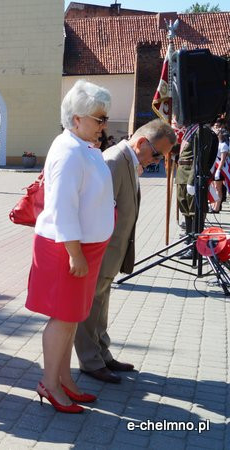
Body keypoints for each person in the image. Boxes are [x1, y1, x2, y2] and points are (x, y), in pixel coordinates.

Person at [26, 80, 115, 413]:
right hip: (67, 248)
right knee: (63, 319)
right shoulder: (67, 151)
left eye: (104, 118)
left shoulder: (82, 146)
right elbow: (63, 206)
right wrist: (75, 253)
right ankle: (49, 384)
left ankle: (64, 379)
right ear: (77, 118)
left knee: (72, 317)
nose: (103, 125)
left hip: (81, 247)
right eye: (98, 118)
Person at [75, 119, 176, 384]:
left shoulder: (127, 161)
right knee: (90, 307)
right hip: (101, 250)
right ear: (142, 142)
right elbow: (94, 211)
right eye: (156, 154)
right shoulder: (112, 161)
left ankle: (102, 354)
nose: (156, 161)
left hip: (112, 250)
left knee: (101, 306)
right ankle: (90, 361)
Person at [176, 124, 219, 259]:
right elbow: (184, 151)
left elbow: (200, 158)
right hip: (182, 174)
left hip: (191, 175)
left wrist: (192, 180)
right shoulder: (190, 129)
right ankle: (189, 242)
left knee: (196, 213)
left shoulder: (202, 130)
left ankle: (196, 248)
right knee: (186, 212)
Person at [210, 129, 229, 213]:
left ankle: (217, 207)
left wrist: (218, 170)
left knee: (218, 189)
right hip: (215, 168)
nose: (218, 135)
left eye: (219, 134)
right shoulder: (218, 143)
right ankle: (214, 205)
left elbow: (222, 159)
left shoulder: (224, 145)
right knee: (214, 187)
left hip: (220, 169)